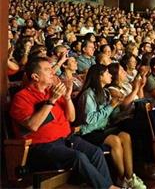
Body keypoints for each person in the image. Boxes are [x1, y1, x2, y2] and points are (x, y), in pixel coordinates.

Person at [9, 57, 117, 189]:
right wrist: (51, 100)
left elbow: (71, 118)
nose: (52, 72)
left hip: (66, 138)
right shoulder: (21, 97)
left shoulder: (52, 92)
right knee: (78, 157)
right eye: (48, 69)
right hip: (42, 147)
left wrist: (66, 98)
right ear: (35, 76)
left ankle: (108, 186)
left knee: (96, 152)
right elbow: (32, 125)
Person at [77, 64, 146, 189]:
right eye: (107, 73)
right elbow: (90, 120)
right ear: (99, 77)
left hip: (102, 128)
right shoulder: (88, 94)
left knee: (125, 136)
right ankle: (121, 178)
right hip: (89, 132)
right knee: (114, 140)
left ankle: (129, 177)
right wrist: (111, 106)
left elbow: (110, 116)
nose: (110, 75)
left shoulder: (104, 92)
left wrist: (118, 106)